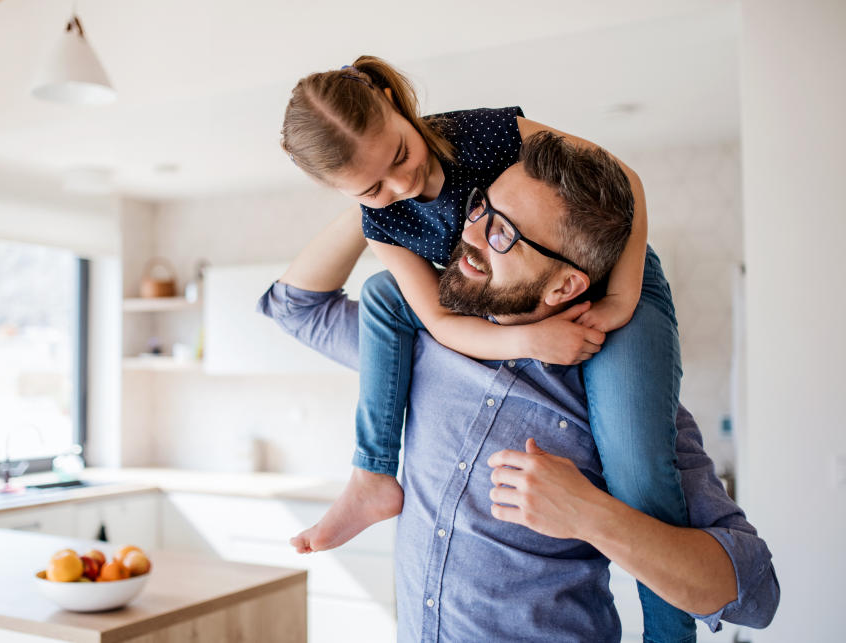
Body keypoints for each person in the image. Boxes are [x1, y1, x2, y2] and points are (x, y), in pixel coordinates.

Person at [258, 132, 779, 641]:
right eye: (482, 208)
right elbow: (294, 307)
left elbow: (756, 594)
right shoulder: (418, 348)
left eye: (503, 234)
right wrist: (381, 187)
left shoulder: (626, 408)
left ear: (565, 285)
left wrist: (594, 517)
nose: (472, 235)